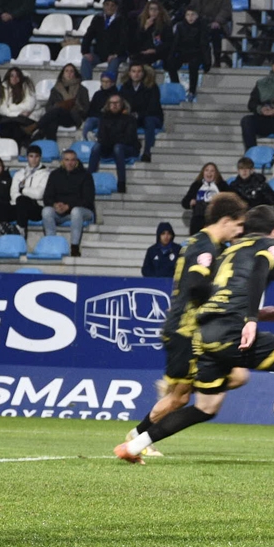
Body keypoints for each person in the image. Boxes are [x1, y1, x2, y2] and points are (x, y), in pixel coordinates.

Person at [117, 205, 274, 466]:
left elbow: (209, 290)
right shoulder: (269, 245)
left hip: (205, 333)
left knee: (206, 407)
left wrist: (248, 312)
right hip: (231, 331)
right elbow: (259, 271)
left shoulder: (227, 251)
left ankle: (134, 445)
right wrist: (251, 319)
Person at [114, 193, 249, 462]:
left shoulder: (201, 243)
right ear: (225, 220)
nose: (240, 231)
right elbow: (196, 286)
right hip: (185, 330)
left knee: (236, 376)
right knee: (179, 399)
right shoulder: (205, 248)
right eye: (238, 225)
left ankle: (142, 432)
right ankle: (137, 436)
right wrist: (223, 302)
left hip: (195, 330)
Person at [42, 148, 96, 256]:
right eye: (67, 160)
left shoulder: (86, 175)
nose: (69, 163)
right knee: (46, 211)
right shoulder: (55, 174)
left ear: (76, 161)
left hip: (82, 211)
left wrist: (69, 206)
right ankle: (51, 245)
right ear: (62, 161)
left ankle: (74, 247)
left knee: (76, 211)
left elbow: (87, 199)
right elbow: (47, 197)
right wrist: (55, 205)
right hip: (60, 211)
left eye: (72, 160)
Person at [90, 91, 139, 193]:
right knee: (96, 147)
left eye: (117, 103)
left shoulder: (130, 119)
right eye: (112, 103)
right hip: (109, 147)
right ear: (108, 105)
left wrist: (111, 139)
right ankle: (88, 179)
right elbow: (101, 137)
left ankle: (121, 183)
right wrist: (114, 138)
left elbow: (128, 139)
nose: (114, 105)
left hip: (127, 148)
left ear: (122, 104)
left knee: (118, 147)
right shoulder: (104, 118)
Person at [188, 0, 233, 68]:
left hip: (219, 23)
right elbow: (194, 9)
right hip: (202, 22)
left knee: (215, 31)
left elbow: (226, 9)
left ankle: (217, 60)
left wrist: (217, 21)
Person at [119, 61, 162, 161]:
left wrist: (138, 115)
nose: (136, 74)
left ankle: (147, 152)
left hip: (152, 116)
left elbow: (153, 108)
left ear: (143, 73)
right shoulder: (125, 87)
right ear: (129, 73)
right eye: (134, 71)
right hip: (133, 117)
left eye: (139, 71)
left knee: (149, 120)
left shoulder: (152, 87)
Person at [35, 63, 87, 140]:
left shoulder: (82, 90)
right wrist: (57, 106)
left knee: (57, 112)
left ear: (75, 74)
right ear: (63, 73)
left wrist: (75, 106)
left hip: (74, 117)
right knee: (53, 120)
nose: (69, 73)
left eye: (71, 71)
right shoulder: (56, 89)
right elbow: (48, 107)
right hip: (57, 116)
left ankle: (36, 128)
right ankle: (51, 143)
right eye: (66, 71)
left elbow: (86, 109)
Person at [169, 6, 210, 97]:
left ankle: (192, 91)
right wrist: (171, 57)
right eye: (188, 15)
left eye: (193, 15)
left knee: (193, 66)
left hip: (197, 53)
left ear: (197, 16)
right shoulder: (180, 26)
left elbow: (204, 44)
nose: (190, 17)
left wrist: (207, 61)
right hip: (183, 53)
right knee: (171, 66)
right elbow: (175, 43)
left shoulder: (202, 26)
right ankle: (177, 87)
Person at [9, 145, 51, 232]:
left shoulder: (46, 174)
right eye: (31, 156)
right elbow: (13, 193)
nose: (34, 159)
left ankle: (20, 230)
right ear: (27, 157)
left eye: (36, 156)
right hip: (19, 206)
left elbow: (39, 194)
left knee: (22, 201)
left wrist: (22, 190)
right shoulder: (19, 173)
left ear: (40, 157)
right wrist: (21, 199)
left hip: (36, 207)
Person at [0, 67, 38, 142]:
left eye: (17, 76)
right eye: (12, 76)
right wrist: (17, 113)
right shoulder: (4, 88)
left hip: (25, 119)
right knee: (6, 127)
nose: (14, 78)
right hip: (9, 119)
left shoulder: (27, 86)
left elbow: (29, 105)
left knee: (16, 128)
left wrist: (10, 108)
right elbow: (2, 109)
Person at [181, 161, 223, 233]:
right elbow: (184, 202)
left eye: (212, 171)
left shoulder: (222, 185)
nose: (209, 173)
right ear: (203, 172)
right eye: (207, 170)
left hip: (216, 221)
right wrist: (191, 202)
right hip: (198, 222)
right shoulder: (196, 185)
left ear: (216, 173)